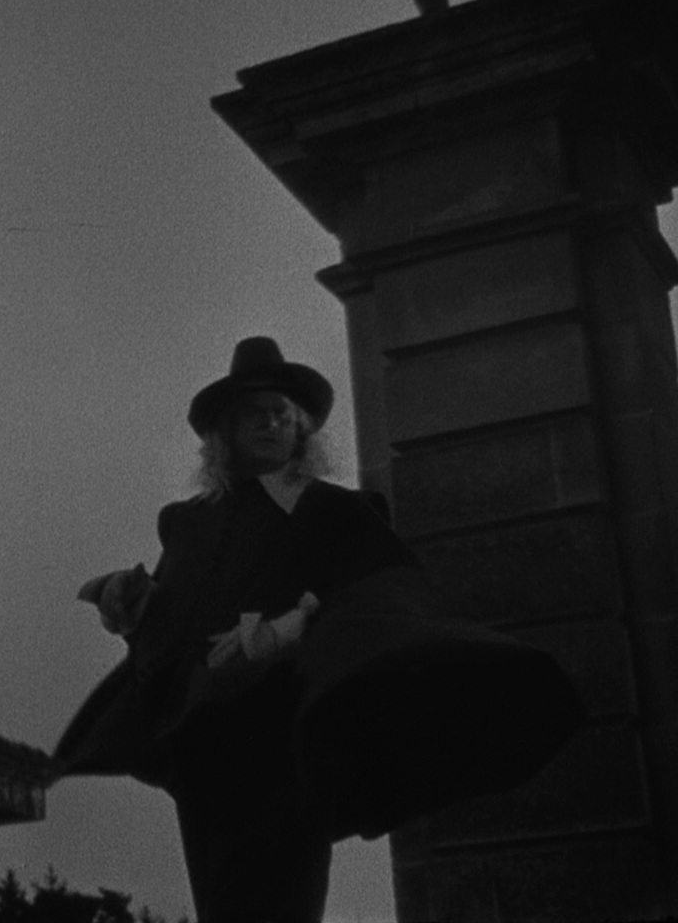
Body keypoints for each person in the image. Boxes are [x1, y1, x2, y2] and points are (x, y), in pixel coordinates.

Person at [55, 336, 584, 923]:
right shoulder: (188, 524)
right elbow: (170, 632)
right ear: (225, 430)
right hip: (204, 754)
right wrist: (133, 610)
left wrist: (287, 631)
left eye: (283, 413)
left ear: (302, 430)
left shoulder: (334, 512)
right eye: (255, 411)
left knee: (278, 905)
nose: (271, 422)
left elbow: (381, 601)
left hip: (285, 740)